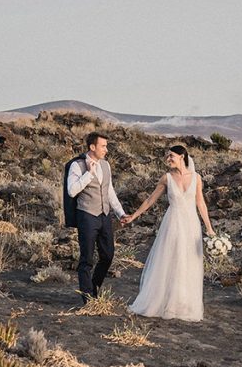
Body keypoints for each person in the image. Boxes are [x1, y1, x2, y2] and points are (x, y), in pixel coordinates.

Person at [122, 145, 216, 322]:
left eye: (171, 156)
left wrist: (209, 228)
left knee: (188, 262)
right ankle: (163, 302)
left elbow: (201, 203)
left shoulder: (196, 178)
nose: (168, 159)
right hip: (172, 223)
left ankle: (182, 304)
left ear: (182, 156)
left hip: (191, 225)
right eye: (167, 156)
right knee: (170, 260)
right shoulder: (166, 178)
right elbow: (150, 200)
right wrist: (133, 216)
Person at [66, 131, 128, 303]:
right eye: (103, 146)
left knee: (108, 255)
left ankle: (93, 287)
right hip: (86, 215)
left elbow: (109, 191)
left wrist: (120, 212)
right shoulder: (77, 165)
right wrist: (89, 174)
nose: (106, 150)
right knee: (87, 258)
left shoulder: (106, 166)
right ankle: (88, 298)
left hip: (105, 216)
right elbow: (71, 191)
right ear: (92, 147)